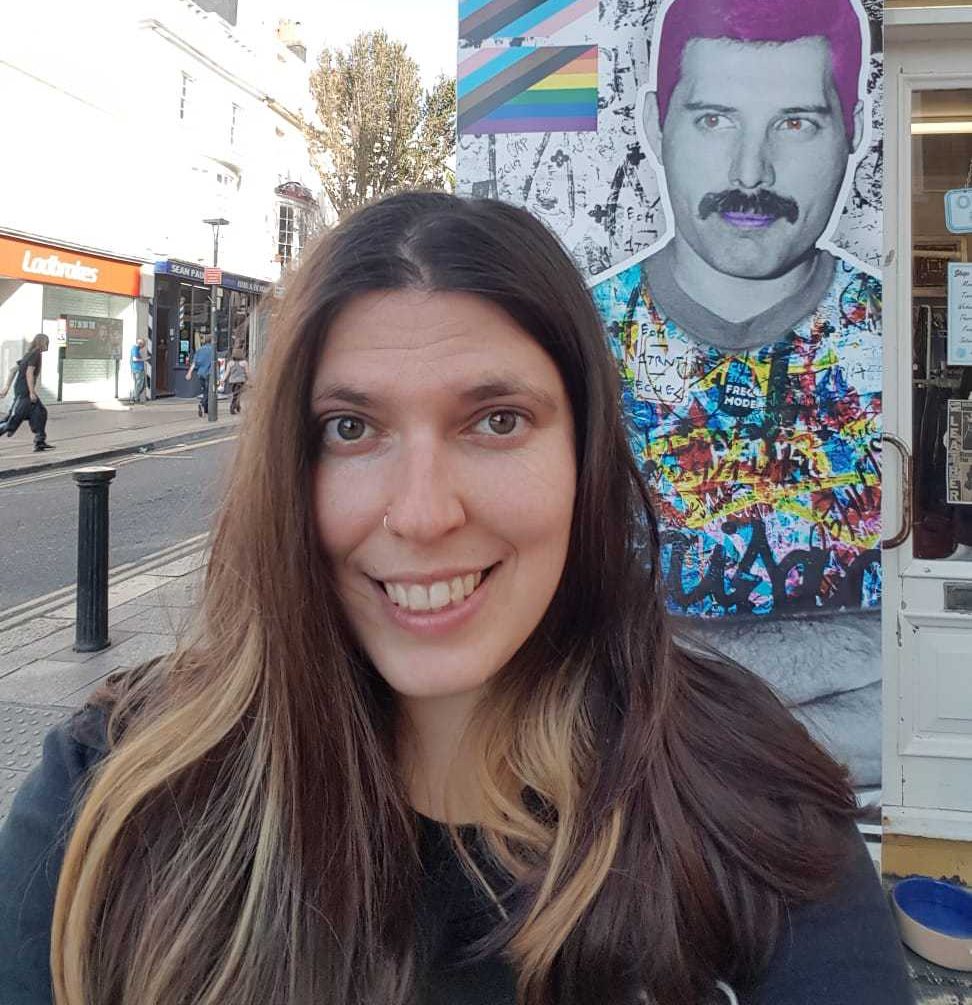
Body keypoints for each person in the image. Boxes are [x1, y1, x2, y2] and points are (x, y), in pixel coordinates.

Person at [0, 193, 913, 1005]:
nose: (425, 513)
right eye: (352, 429)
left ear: (584, 460)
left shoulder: (746, 807)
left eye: (497, 420)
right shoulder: (112, 799)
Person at [590, 0, 883, 785]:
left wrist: (656, 692)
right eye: (716, 119)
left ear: (850, 133)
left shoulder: (901, 346)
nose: (751, 173)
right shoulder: (571, 345)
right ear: (657, 127)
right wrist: (853, 653)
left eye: (795, 124)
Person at [0, 333, 54, 452]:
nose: (48, 345)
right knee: (12, 420)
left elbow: (13, 370)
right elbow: (29, 373)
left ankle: (40, 441)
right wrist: (31, 392)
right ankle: (39, 440)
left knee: (40, 412)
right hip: (24, 393)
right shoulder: (36, 354)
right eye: (47, 342)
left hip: (22, 391)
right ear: (42, 342)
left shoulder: (28, 354)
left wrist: (6, 388)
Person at [186, 333, 214, 417]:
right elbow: (215, 364)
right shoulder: (213, 350)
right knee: (209, 392)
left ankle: (205, 408)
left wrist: (189, 373)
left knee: (205, 391)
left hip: (200, 373)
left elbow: (194, 363)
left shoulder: (200, 350)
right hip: (209, 374)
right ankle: (202, 405)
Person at [221, 346, 249, 414]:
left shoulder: (230, 363)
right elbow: (247, 372)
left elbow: (227, 373)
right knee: (237, 395)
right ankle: (232, 407)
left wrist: (222, 380)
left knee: (236, 394)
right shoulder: (244, 363)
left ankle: (238, 407)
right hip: (241, 381)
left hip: (232, 381)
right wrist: (249, 379)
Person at [129, 338, 148, 404]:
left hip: (137, 369)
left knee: (139, 384)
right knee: (139, 385)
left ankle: (135, 398)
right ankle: (135, 398)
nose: (143, 347)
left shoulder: (135, 348)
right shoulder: (135, 348)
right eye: (143, 345)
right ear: (140, 344)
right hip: (138, 369)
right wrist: (144, 359)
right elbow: (135, 359)